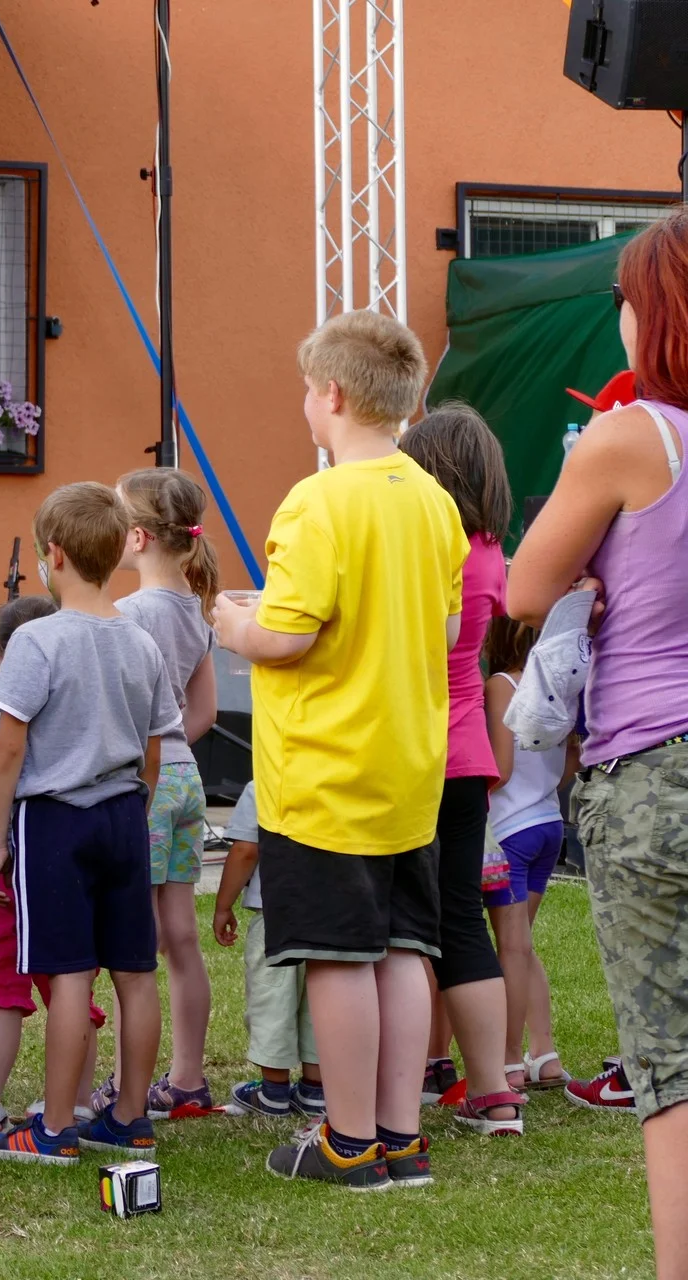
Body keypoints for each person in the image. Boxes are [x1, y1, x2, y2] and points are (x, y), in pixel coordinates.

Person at [214, 309, 465, 1191]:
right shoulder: (434, 501)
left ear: (331, 394)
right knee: (403, 949)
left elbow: (286, 637)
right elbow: (444, 623)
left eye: (304, 391)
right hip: (407, 766)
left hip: (324, 769)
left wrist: (232, 623)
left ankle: (347, 1141)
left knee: (336, 954)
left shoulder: (316, 499)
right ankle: (400, 1136)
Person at [508, 209, 688, 1273]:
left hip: (656, 766)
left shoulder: (635, 435)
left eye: (624, 296)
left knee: (670, 1064)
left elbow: (529, 586)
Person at [0, 483, 179, 1169]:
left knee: (68, 976)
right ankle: (129, 1118)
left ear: (51, 556)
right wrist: (137, 808)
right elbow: (155, 746)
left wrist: (2, 838)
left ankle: (55, 1126)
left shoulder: (36, 639)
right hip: (124, 813)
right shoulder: (142, 641)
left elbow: (8, 749)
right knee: (135, 973)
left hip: (54, 821)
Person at [398, 404, 523, 1137]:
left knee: (409, 926)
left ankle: (403, 1083)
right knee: (461, 920)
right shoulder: (489, 551)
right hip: (468, 753)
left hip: (413, 749)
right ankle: (494, 1091)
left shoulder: (429, 547)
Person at [0, 594, 105, 1141]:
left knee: (4, 992)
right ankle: (79, 1101)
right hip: (65, 871)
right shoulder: (79, 733)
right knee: (71, 984)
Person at [112, 466, 220, 1119]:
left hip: (145, 778)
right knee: (180, 932)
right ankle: (187, 1075)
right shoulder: (194, 607)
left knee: (137, 938)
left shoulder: (130, 613)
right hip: (185, 775)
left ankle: (130, 1085)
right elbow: (201, 710)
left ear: (138, 536)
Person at [481, 615, 574, 1093]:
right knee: (523, 946)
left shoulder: (501, 685)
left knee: (510, 949)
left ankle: (508, 1061)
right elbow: (571, 758)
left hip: (510, 832)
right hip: (548, 825)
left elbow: (498, 768)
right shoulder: (561, 684)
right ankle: (546, 1054)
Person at [213, 782, 325, 1123]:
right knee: (321, 1004)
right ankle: (315, 1090)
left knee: (271, 1000)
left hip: (276, 912)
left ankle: (273, 1092)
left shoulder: (265, 781)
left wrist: (223, 905)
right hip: (334, 912)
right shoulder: (341, 775)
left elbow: (246, 850)